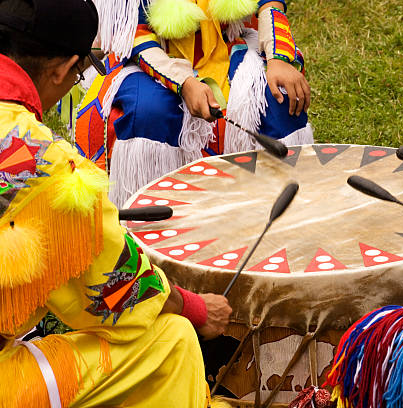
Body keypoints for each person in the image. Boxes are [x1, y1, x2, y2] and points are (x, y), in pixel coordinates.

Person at [0, 0, 232, 406]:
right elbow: (114, 289)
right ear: (61, 68)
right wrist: (194, 307)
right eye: (78, 73)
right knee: (171, 341)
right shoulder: (40, 162)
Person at [74, 0, 313, 207]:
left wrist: (278, 58)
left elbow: (269, 3)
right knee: (151, 112)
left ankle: (277, 209)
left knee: (277, 98)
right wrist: (184, 84)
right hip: (148, 55)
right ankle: (148, 220)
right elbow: (137, 35)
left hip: (230, 42)